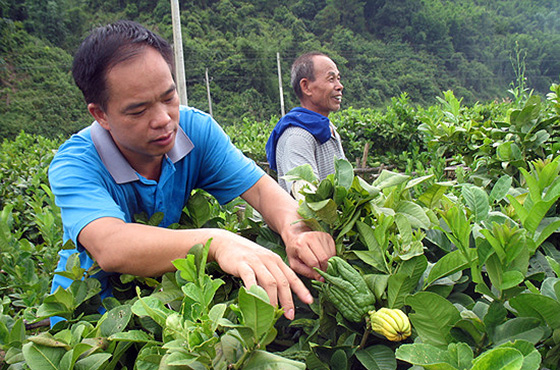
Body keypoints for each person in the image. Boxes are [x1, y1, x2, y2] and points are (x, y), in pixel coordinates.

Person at [48, 20, 336, 325]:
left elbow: (264, 192)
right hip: (88, 317)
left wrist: (297, 231)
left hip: (160, 305)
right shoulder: (76, 164)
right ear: (101, 114)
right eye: (138, 110)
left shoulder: (195, 131)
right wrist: (219, 242)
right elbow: (111, 246)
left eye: (169, 97)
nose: (163, 119)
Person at [265, 52, 346, 196]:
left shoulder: (329, 128)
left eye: (338, 79)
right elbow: (309, 199)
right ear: (306, 86)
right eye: (331, 79)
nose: (339, 86)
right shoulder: (297, 137)